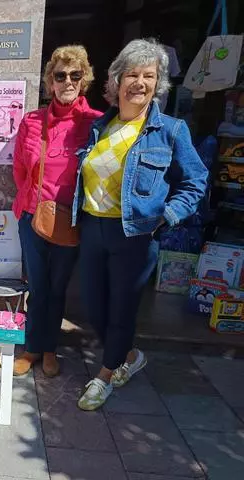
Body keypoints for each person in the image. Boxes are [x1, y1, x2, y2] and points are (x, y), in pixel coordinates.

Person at [72, 39, 208, 410]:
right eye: (132, 74)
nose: (140, 83)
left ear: (158, 83)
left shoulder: (170, 130)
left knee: (121, 309)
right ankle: (129, 356)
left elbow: (195, 180)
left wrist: (168, 215)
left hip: (135, 234)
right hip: (93, 228)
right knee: (93, 306)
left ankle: (105, 375)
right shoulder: (101, 126)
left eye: (149, 76)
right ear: (116, 81)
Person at [12, 45, 102, 377]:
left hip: (70, 220)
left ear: (84, 79)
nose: (67, 82)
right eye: (60, 75)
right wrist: (34, 200)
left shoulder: (96, 123)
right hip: (32, 216)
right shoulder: (32, 121)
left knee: (58, 286)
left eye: (75, 75)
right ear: (50, 81)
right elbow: (20, 169)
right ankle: (32, 348)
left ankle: (50, 348)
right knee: (37, 286)